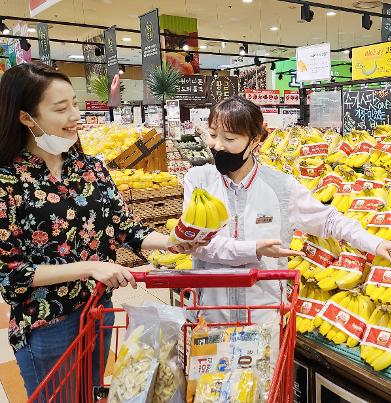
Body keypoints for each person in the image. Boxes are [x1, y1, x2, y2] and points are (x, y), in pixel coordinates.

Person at [0, 64, 293, 398]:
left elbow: (127, 230)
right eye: (61, 108)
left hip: (97, 311)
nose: (75, 116)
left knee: (89, 393)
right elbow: (9, 273)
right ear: (26, 117)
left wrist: (173, 242)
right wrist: (91, 268)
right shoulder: (8, 182)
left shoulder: (90, 168)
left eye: (75, 104)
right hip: (46, 324)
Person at [184, 96, 391, 323]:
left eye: (229, 138)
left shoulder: (280, 186)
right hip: (209, 311)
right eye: (213, 135)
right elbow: (199, 245)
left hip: (262, 315)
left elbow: (328, 220)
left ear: (254, 141)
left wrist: (375, 243)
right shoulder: (198, 181)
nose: (217, 145)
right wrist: (253, 249)